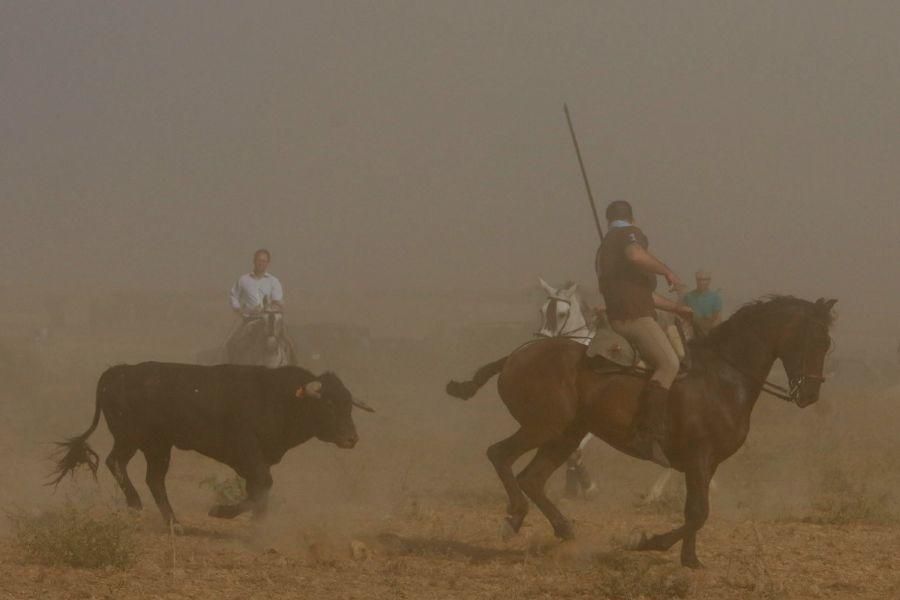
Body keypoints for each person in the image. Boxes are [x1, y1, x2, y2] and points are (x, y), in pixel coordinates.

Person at [594, 200, 692, 467]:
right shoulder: (628, 235)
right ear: (632, 218)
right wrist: (668, 272)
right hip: (634, 317)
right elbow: (636, 254)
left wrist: (678, 309)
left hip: (626, 313)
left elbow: (645, 295)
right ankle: (647, 435)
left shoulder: (605, 247)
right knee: (670, 364)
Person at [226, 249, 284, 363]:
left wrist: (267, 308)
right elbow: (233, 295)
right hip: (250, 320)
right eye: (259, 260)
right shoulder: (243, 280)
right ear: (254, 261)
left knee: (289, 343)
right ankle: (234, 371)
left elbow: (277, 302)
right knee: (232, 343)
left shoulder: (274, 281)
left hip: (270, 321)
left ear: (268, 263)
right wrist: (240, 310)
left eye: (264, 261)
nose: (261, 263)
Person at [682, 270, 722, 335]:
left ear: (709, 281)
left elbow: (717, 319)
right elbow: (684, 317)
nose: (702, 282)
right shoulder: (688, 296)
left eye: (705, 279)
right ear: (696, 280)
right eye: (699, 279)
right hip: (692, 331)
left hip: (710, 331)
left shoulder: (715, 297)